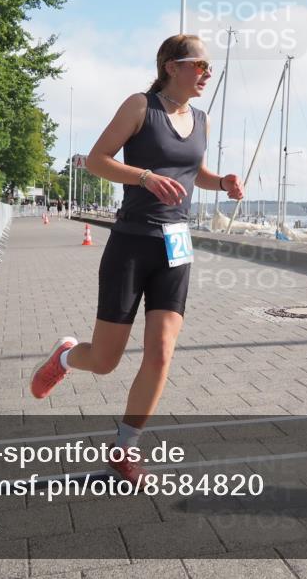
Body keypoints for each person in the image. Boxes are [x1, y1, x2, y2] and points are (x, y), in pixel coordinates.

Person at [29, 34, 244, 482]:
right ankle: (66, 358)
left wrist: (221, 182)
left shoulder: (201, 119)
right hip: (132, 241)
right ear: (170, 66)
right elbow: (97, 161)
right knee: (105, 360)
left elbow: (192, 172)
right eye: (199, 65)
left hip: (177, 245)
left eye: (209, 67)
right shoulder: (139, 107)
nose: (207, 73)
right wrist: (144, 177)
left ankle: (125, 448)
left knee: (161, 352)